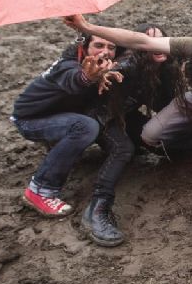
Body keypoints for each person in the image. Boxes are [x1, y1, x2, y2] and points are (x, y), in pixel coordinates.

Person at [11, 30, 128, 244]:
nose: (106, 51)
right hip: (30, 119)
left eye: (111, 47)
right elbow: (74, 79)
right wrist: (88, 77)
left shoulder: (104, 68)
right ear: (83, 47)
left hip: (56, 115)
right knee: (85, 127)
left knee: (86, 122)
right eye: (99, 45)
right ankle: (40, 190)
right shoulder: (67, 65)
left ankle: (56, 146)